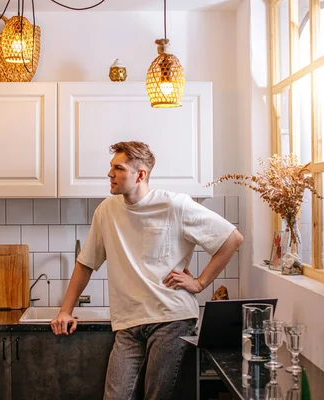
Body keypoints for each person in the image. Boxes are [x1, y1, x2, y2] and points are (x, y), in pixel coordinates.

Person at [51, 141, 243, 400]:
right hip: (128, 323)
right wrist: (65, 311)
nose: (110, 174)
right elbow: (85, 263)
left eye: (118, 168)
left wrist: (199, 283)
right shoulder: (106, 211)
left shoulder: (175, 205)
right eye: (111, 167)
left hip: (171, 320)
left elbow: (231, 238)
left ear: (140, 174)